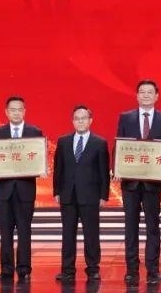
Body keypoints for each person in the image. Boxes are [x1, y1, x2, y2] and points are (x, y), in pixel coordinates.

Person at [116, 79, 161, 285]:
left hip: (152, 184)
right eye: (142, 92)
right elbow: (120, 146)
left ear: (156, 96)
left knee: (153, 226)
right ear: (137, 95)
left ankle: (153, 269)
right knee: (130, 227)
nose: (146, 95)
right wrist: (117, 168)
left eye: (150, 92)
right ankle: (131, 269)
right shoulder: (126, 117)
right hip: (130, 183)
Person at [53, 105, 110, 283]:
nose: (80, 121)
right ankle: (67, 269)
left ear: (90, 121)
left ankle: (93, 269)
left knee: (91, 234)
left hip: (90, 195)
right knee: (67, 234)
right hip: (67, 195)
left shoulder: (99, 143)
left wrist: (104, 195)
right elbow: (58, 169)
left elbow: (103, 171)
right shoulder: (63, 141)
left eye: (83, 118)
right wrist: (56, 191)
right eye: (77, 118)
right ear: (73, 121)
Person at [0, 95, 43, 284]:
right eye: (12, 110)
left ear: (24, 111)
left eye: (19, 109)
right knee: (5, 232)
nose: (16, 113)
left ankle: (24, 269)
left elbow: (38, 159)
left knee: (24, 231)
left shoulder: (34, 132)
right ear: (6, 112)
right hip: (3, 190)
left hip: (25, 190)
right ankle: (6, 270)